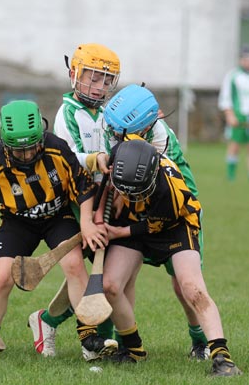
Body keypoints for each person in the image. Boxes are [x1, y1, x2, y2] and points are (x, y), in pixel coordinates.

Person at [0, 100, 116, 359]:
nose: (27, 156)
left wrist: (87, 222)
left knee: (75, 264)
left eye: (32, 148)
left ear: (41, 136)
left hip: (57, 215)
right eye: (18, 151)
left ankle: (89, 337)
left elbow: (83, 186)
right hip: (17, 220)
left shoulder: (56, 147)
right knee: (1, 278)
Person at [102, 138, 242, 377]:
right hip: (134, 220)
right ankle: (133, 349)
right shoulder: (122, 153)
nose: (129, 196)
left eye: (136, 192)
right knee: (110, 286)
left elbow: (153, 226)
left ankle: (221, 357)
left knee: (191, 288)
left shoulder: (168, 190)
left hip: (175, 225)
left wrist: (116, 231)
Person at [100, 84, 209, 359]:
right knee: (121, 279)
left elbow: (155, 190)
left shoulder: (159, 142)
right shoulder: (120, 130)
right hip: (137, 206)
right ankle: (127, 344)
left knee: (181, 284)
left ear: (145, 128)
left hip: (176, 211)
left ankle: (200, 340)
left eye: (117, 130)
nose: (112, 133)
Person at [27, 43, 121, 361]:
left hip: (104, 200)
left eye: (106, 81)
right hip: (74, 201)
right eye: (94, 78)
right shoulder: (67, 111)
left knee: (101, 273)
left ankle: (47, 321)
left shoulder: (107, 113)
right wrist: (98, 159)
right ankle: (98, 340)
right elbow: (70, 158)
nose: (100, 86)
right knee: (93, 272)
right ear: (75, 75)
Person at [218, 45, 249, 181]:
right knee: (235, 144)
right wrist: (229, 114)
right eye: (245, 58)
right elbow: (226, 96)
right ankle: (231, 175)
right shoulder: (233, 75)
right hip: (238, 115)